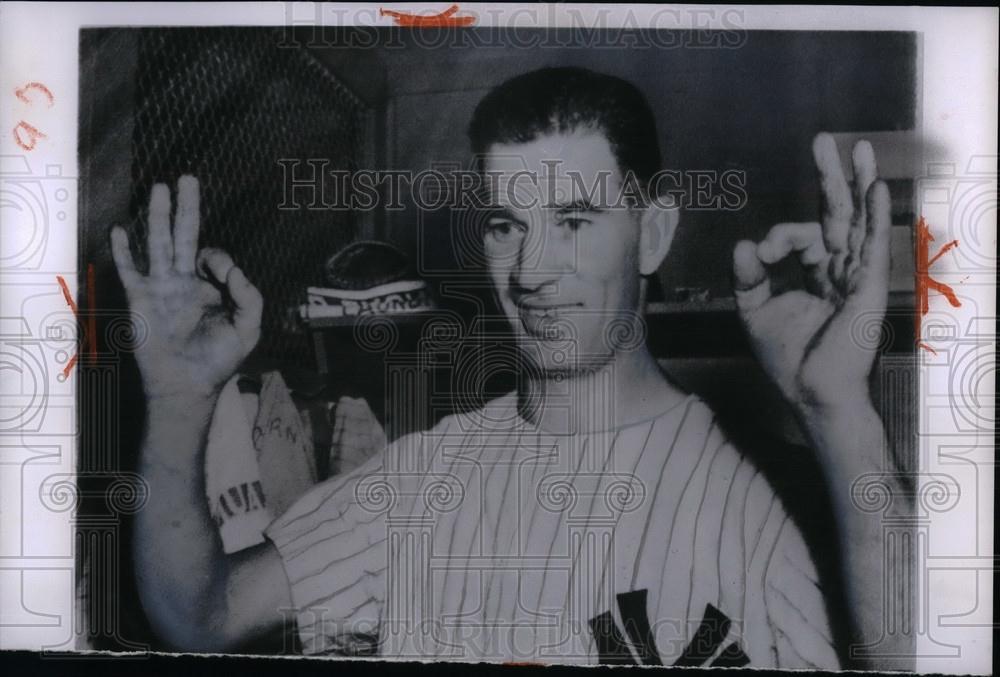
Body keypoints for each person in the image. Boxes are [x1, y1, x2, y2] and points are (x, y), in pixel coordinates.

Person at [113, 67, 908, 667]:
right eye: (505, 224)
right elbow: (199, 615)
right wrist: (181, 400)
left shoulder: (772, 497)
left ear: (655, 232)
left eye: (574, 220)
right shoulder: (418, 483)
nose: (530, 270)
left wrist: (838, 407)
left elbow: (924, 655)